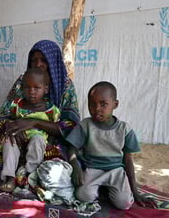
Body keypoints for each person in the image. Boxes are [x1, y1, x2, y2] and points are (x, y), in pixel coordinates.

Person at [64, 81, 157, 210]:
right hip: (93, 169)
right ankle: (103, 189)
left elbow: (128, 160)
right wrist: (76, 166)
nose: (97, 108)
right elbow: (72, 148)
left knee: (124, 203)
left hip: (116, 171)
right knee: (83, 196)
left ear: (115, 104)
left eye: (103, 104)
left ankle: (106, 189)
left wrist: (135, 193)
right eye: (92, 104)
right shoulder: (85, 125)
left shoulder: (124, 129)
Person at [0, 39, 80, 152]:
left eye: (43, 60)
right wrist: (13, 127)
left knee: (56, 168)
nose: (38, 64)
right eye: (34, 60)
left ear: (53, 61)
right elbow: (3, 115)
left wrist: (34, 122)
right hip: (19, 140)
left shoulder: (65, 86)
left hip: (54, 145)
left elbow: (70, 127)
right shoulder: (23, 81)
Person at [0, 68, 60, 192]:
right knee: (9, 141)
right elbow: (8, 121)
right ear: (22, 88)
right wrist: (11, 127)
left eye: (36, 88)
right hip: (18, 137)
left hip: (37, 140)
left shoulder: (51, 110)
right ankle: (9, 176)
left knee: (38, 140)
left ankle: (29, 174)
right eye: (27, 87)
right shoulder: (17, 105)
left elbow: (58, 129)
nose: (31, 91)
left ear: (46, 89)